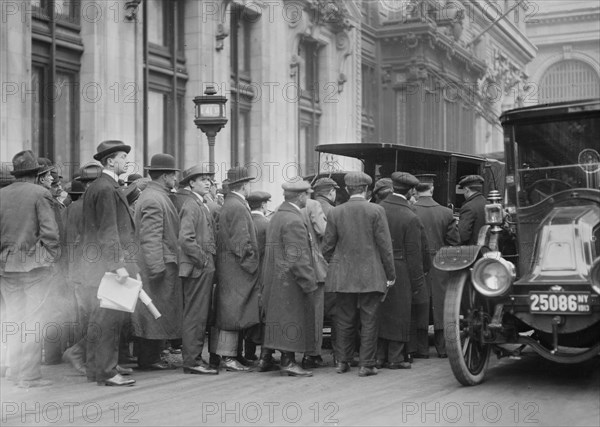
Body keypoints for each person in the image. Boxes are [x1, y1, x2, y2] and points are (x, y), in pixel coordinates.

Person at [323, 172, 396, 377]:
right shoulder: (376, 210)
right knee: (369, 320)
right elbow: (385, 246)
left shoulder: (336, 212)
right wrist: (390, 274)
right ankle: (366, 364)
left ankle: (342, 362)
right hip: (371, 275)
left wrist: (332, 268)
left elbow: (327, 247)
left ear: (347, 189)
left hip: (343, 276)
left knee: (344, 320)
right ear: (367, 190)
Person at [0, 151, 59, 388]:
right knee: (34, 321)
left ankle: (14, 372)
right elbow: (50, 234)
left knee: (13, 320)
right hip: (34, 268)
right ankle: (29, 376)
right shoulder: (41, 194)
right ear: (35, 174)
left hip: (6, 267)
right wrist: (50, 258)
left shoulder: (1, 195)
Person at [81, 140, 138, 386]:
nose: (126, 161)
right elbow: (108, 231)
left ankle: (97, 369)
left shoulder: (102, 186)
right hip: (108, 265)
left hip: (97, 264)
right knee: (108, 320)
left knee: (100, 319)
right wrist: (118, 265)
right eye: (123, 157)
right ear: (110, 161)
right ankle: (106, 372)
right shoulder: (106, 188)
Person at [261, 180, 318, 377]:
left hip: (277, 278)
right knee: (291, 318)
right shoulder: (293, 220)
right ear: (301, 196)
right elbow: (298, 257)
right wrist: (308, 281)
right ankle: (288, 361)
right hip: (290, 281)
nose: (308, 198)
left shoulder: (279, 216)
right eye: (307, 195)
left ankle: (276, 358)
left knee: (281, 317)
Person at [132, 154, 182, 371]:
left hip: (159, 263)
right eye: (173, 175)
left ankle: (152, 356)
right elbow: (150, 236)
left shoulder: (154, 195)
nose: (175, 179)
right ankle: (149, 358)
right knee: (153, 312)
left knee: (153, 312)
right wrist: (156, 268)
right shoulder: (154, 198)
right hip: (158, 265)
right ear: (165, 176)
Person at [169, 164, 218, 375]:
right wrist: (203, 260)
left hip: (200, 268)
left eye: (209, 179)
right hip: (197, 269)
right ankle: (192, 361)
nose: (207, 182)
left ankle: (194, 359)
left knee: (197, 315)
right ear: (191, 183)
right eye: (202, 179)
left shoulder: (199, 203)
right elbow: (185, 239)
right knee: (195, 316)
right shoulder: (191, 205)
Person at [377, 172, 427, 370]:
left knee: (380, 311)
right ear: (412, 191)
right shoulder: (410, 216)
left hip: (377, 266)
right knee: (400, 312)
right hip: (401, 268)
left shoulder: (378, 209)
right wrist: (418, 282)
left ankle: (379, 356)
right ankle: (395, 358)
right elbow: (415, 254)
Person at [213, 167, 260, 372]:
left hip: (231, 266)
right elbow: (242, 242)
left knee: (233, 311)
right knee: (233, 312)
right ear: (243, 185)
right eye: (249, 183)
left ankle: (233, 355)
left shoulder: (232, 203)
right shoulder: (237, 206)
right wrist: (252, 265)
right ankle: (229, 357)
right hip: (237, 268)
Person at [61, 164, 104, 374]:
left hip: (84, 272)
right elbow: (74, 242)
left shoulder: (78, 206)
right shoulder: (83, 207)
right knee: (94, 318)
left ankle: (92, 359)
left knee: (94, 317)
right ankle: (80, 354)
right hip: (87, 273)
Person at [412, 174, 460, 358]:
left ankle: (421, 349)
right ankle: (443, 348)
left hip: (418, 263)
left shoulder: (411, 210)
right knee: (441, 305)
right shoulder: (446, 213)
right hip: (440, 263)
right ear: (432, 189)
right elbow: (454, 242)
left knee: (420, 304)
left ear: (416, 191)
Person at [311, 177, 339, 362]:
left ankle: (313, 352)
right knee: (336, 310)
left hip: (313, 267)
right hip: (330, 266)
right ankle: (339, 354)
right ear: (330, 192)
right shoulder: (332, 210)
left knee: (316, 311)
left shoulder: (308, 207)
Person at [301, 188, 328, 369]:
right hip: (314, 267)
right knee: (316, 313)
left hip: (295, 267)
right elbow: (323, 230)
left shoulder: (281, 207)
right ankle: (312, 354)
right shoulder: (313, 205)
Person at [246, 190, 271, 365]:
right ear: (263, 205)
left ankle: (248, 352)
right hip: (263, 273)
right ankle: (264, 354)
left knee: (248, 310)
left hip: (247, 273)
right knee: (264, 313)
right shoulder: (266, 224)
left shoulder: (246, 222)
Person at [457, 175, 486, 245]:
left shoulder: (468, 207)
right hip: (487, 250)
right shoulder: (487, 203)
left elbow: (462, 236)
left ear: (467, 190)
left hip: (474, 252)